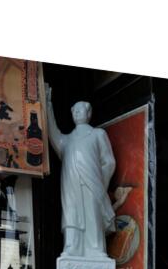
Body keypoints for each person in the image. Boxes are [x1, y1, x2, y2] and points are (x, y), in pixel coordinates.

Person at [45, 85, 116, 259]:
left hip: (92, 182)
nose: (76, 113)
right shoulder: (67, 140)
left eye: (80, 110)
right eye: (74, 110)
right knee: (72, 214)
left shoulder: (98, 134)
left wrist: (101, 182)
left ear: (89, 113)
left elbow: (109, 161)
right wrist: (47, 105)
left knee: (92, 214)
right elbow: (53, 133)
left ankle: (96, 249)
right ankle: (72, 246)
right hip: (71, 184)